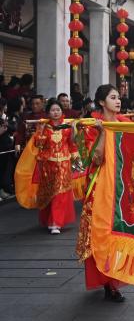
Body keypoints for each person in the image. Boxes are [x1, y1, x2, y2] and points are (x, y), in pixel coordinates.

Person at [75, 84, 130, 302]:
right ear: (101, 102)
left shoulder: (125, 124)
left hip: (121, 186)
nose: (118, 101)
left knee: (118, 233)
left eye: (119, 97)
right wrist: (102, 133)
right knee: (100, 232)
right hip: (99, 187)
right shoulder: (91, 127)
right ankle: (108, 282)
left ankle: (114, 277)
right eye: (113, 97)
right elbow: (94, 160)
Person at [32, 99, 78, 234]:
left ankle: (55, 223)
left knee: (61, 193)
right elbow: (39, 145)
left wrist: (76, 158)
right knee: (50, 193)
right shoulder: (45, 127)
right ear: (48, 113)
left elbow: (72, 143)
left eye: (58, 110)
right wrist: (39, 132)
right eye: (53, 110)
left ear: (62, 111)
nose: (56, 112)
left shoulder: (67, 126)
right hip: (48, 165)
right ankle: (50, 219)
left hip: (64, 164)